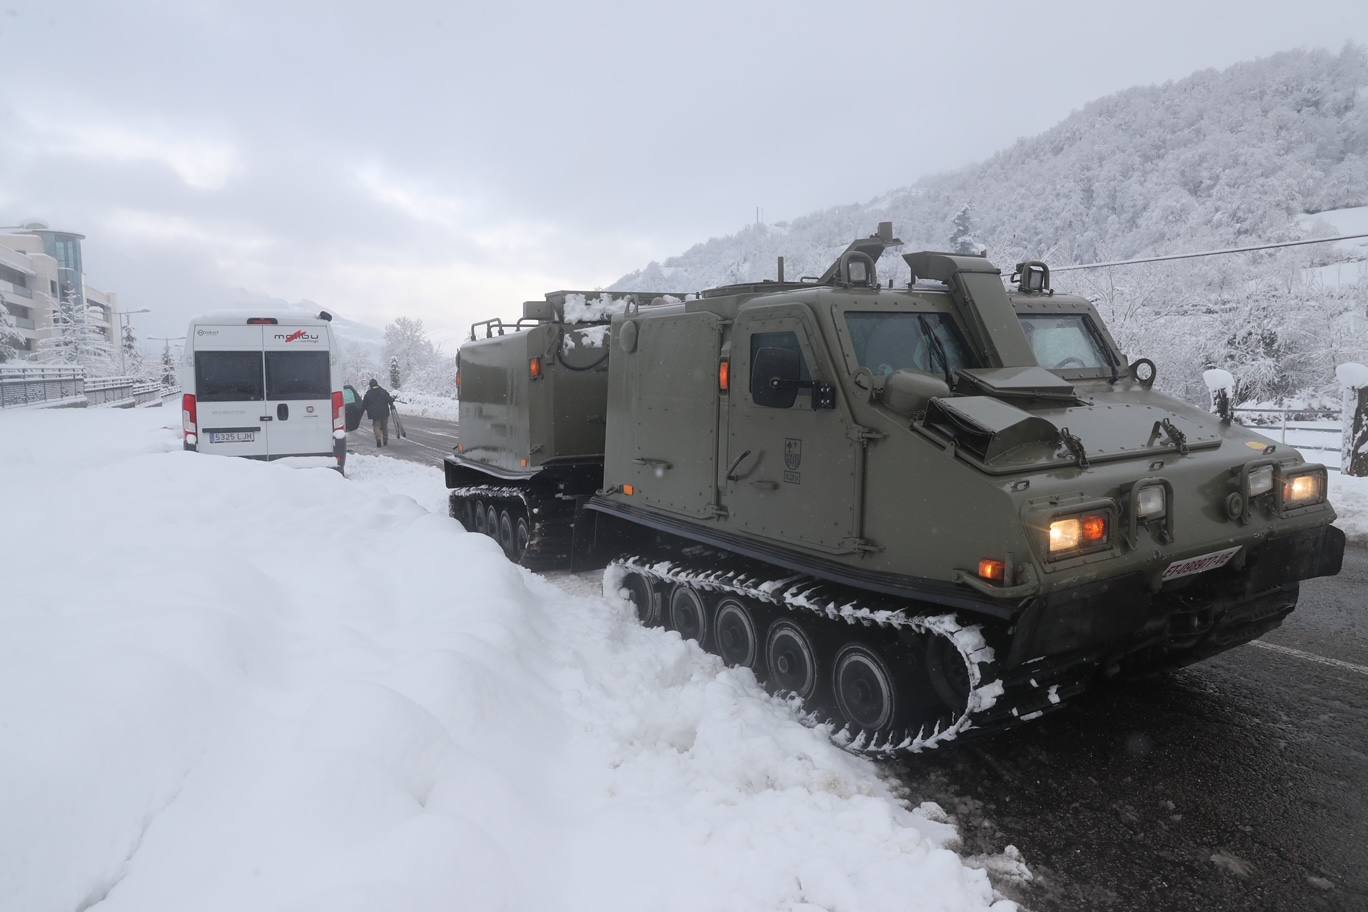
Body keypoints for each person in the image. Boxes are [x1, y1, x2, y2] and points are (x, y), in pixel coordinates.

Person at [362, 378, 394, 446]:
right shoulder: (383, 391)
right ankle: (385, 441)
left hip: (375, 414)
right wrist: (392, 402)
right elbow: (389, 399)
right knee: (384, 426)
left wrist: (361, 410)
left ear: (370, 385)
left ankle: (378, 440)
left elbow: (364, 404)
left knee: (376, 426)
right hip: (384, 412)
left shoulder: (368, 394)